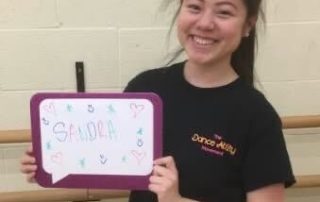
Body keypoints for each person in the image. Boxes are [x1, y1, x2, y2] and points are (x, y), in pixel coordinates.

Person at [21, 0, 296, 201]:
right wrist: (55, 162)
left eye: (223, 12)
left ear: (248, 25)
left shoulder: (257, 116)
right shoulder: (145, 89)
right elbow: (106, 164)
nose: (204, 23)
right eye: (194, 7)